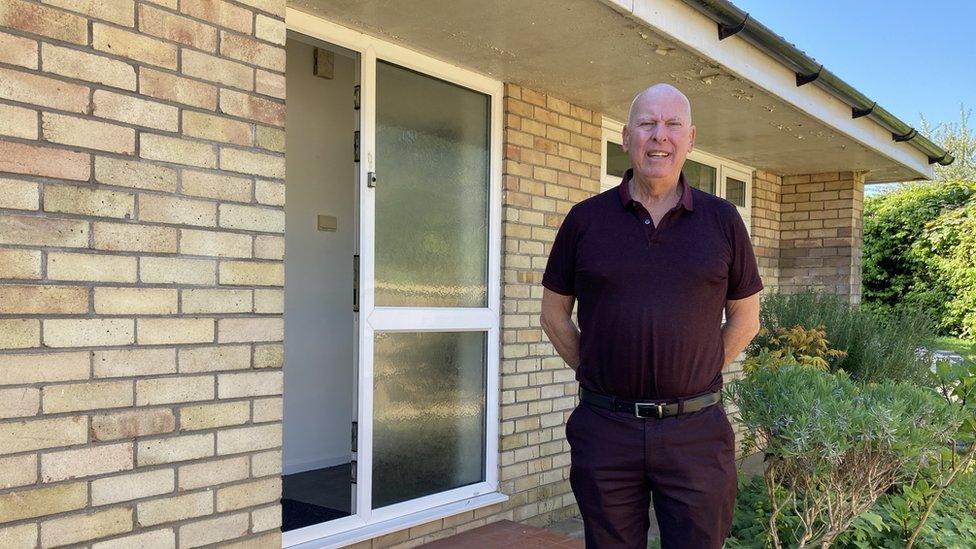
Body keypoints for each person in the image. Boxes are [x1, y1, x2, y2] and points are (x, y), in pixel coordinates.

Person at [539, 83, 762, 549]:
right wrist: (594, 368)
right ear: (626, 137)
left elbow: (745, 316)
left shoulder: (722, 221)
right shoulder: (585, 220)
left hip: (695, 431)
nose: (659, 136)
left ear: (691, 138)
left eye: (672, 124)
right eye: (647, 124)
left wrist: (697, 369)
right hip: (606, 430)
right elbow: (554, 313)